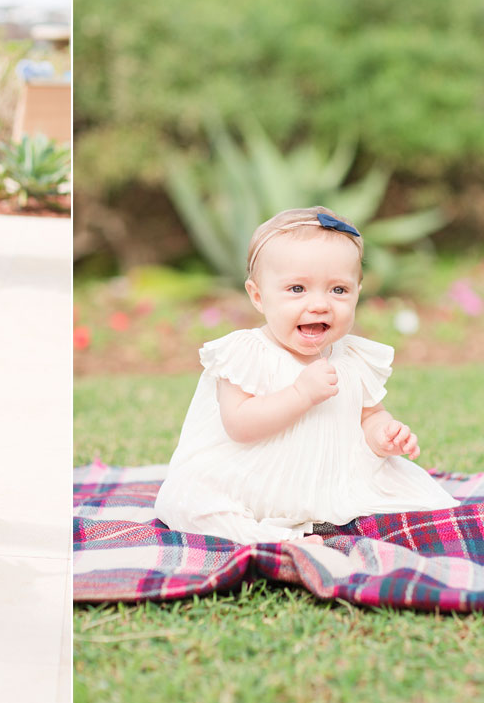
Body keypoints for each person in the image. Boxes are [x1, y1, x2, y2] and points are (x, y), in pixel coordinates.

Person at [154, 207, 457, 545]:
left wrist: (381, 433)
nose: (320, 304)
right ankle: (270, 539)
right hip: (246, 480)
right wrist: (300, 394)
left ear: (358, 291)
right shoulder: (245, 353)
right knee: (190, 502)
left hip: (320, 481)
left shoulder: (352, 357)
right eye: (297, 289)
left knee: (415, 501)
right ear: (258, 296)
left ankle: (308, 525)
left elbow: (370, 413)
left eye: (338, 290)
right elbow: (239, 424)